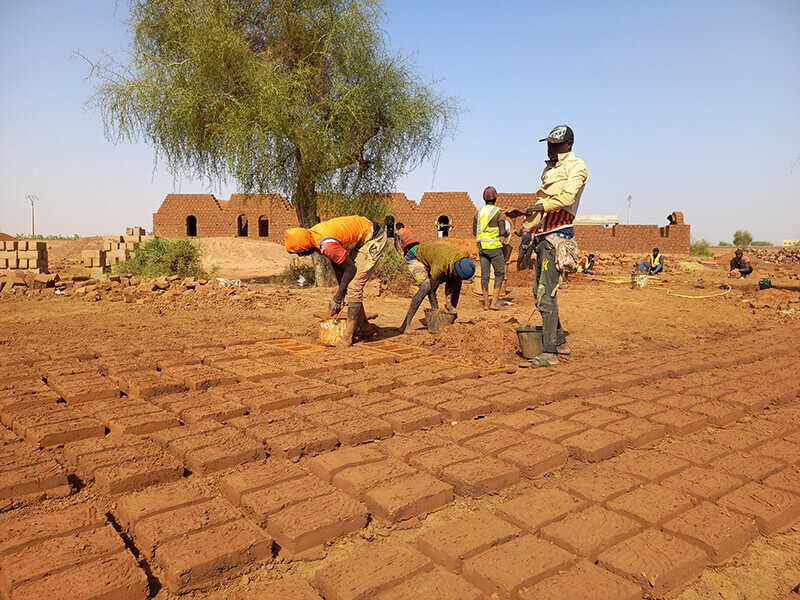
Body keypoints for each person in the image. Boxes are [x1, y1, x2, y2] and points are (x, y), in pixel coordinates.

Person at [514, 124, 589, 368]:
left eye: (554, 145)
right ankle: (560, 343)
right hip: (544, 237)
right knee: (540, 293)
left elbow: (566, 199)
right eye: (548, 144)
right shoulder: (549, 169)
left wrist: (533, 209)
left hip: (558, 237)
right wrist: (526, 226)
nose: (550, 149)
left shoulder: (577, 166)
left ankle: (549, 353)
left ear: (568, 145)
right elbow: (542, 203)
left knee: (547, 293)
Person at [284, 215, 387, 346]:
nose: (300, 256)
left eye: (300, 252)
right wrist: (341, 290)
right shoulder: (314, 235)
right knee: (348, 287)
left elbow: (350, 270)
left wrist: (338, 297)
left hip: (373, 238)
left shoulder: (326, 244)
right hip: (362, 236)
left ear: (304, 246)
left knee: (354, 286)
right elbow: (337, 263)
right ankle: (365, 327)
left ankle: (347, 339)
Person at [399, 242, 476, 332]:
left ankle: (451, 316)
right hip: (415, 256)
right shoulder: (440, 266)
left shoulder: (460, 260)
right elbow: (432, 290)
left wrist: (449, 304)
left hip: (433, 258)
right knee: (425, 287)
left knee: (457, 282)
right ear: (455, 270)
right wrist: (436, 312)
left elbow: (453, 280)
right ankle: (405, 325)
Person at [473, 186, 508, 310]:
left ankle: (486, 303)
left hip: (482, 248)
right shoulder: (499, 213)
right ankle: (494, 302)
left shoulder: (478, 213)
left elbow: (474, 232)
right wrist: (507, 233)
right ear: (495, 198)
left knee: (485, 275)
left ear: (484, 199)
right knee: (500, 273)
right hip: (494, 248)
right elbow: (502, 231)